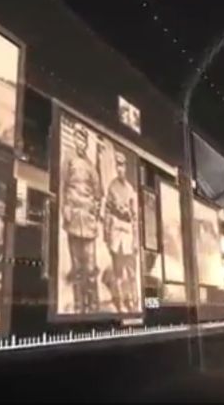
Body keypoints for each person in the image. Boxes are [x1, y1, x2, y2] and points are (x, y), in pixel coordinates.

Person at [61, 126, 102, 314]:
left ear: (86, 143)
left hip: (88, 221)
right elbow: (63, 185)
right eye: (77, 138)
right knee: (77, 267)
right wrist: (65, 208)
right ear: (74, 139)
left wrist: (94, 211)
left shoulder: (91, 166)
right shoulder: (68, 159)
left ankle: (93, 306)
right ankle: (79, 306)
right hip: (73, 218)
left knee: (90, 268)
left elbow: (98, 193)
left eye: (83, 139)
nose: (80, 142)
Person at [103, 152, 138, 313]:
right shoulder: (112, 187)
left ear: (126, 167)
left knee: (131, 272)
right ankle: (120, 302)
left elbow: (135, 217)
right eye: (117, 165)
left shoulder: (130, 190)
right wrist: (106, 234)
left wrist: (136, 239)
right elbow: (107, 211)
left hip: (128, 234)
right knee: (118, 272)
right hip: (116, 232)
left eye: (122, 165)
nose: (120, 169)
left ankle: (132, 301)